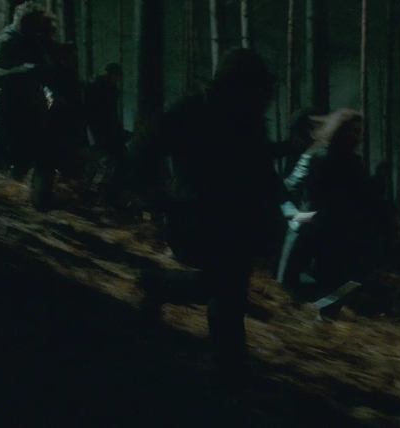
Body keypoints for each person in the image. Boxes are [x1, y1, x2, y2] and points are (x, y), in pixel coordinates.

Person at [132, 48, 286, 388]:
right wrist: (155, 196)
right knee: (227, 289)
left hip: (237, 218)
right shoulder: (193, 110)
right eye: (255, 84)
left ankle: (159, 285)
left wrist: (277, 205)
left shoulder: (248, 119)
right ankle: (232, 373)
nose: (263, 94)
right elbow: (145, 146)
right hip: (196, 218)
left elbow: (257, 166)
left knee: (228, 288)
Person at [276, 109, 378, 302]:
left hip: (338, 236)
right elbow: (286, 189)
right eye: (351, 130)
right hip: (308, 229)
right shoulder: (316, 156)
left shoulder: (355, 163)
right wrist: (294, 216)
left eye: (358, 131)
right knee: (288, 285)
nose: (355, 136)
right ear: (338, 130)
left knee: (336, 288)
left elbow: (364, 201)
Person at [0, 1, 59, 210]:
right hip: (2, 104)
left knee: (46, 154)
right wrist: (24, 71)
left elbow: (43, 72)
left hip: (27, 107)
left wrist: (47, 90)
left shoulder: (33, 43)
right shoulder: (4, 42)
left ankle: (40, 199)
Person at [84, 63, 129, 189]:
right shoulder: (100, 89)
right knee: (105, 159)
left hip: (106, 130)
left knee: (108, 160)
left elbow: (112, 114)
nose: (118, 79)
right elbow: (98, 113)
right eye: (116, 76)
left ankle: (102, 187)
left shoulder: (109, 89)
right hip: (101, 131)